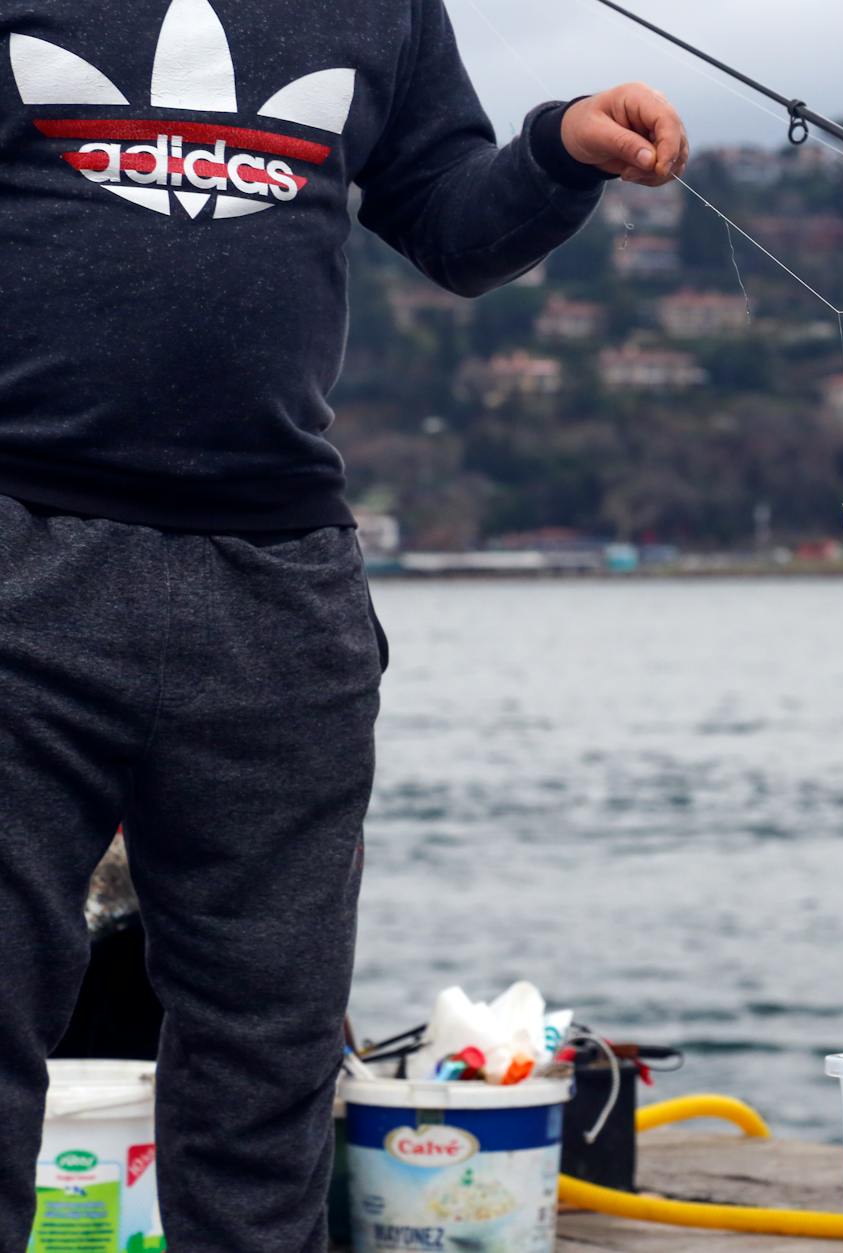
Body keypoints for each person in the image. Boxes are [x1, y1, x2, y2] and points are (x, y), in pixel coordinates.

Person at [0, 0, 686, 1247]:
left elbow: (450, 221)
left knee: (269, 1054)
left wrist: (559, 149)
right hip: (21, 552)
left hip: (279, 587)